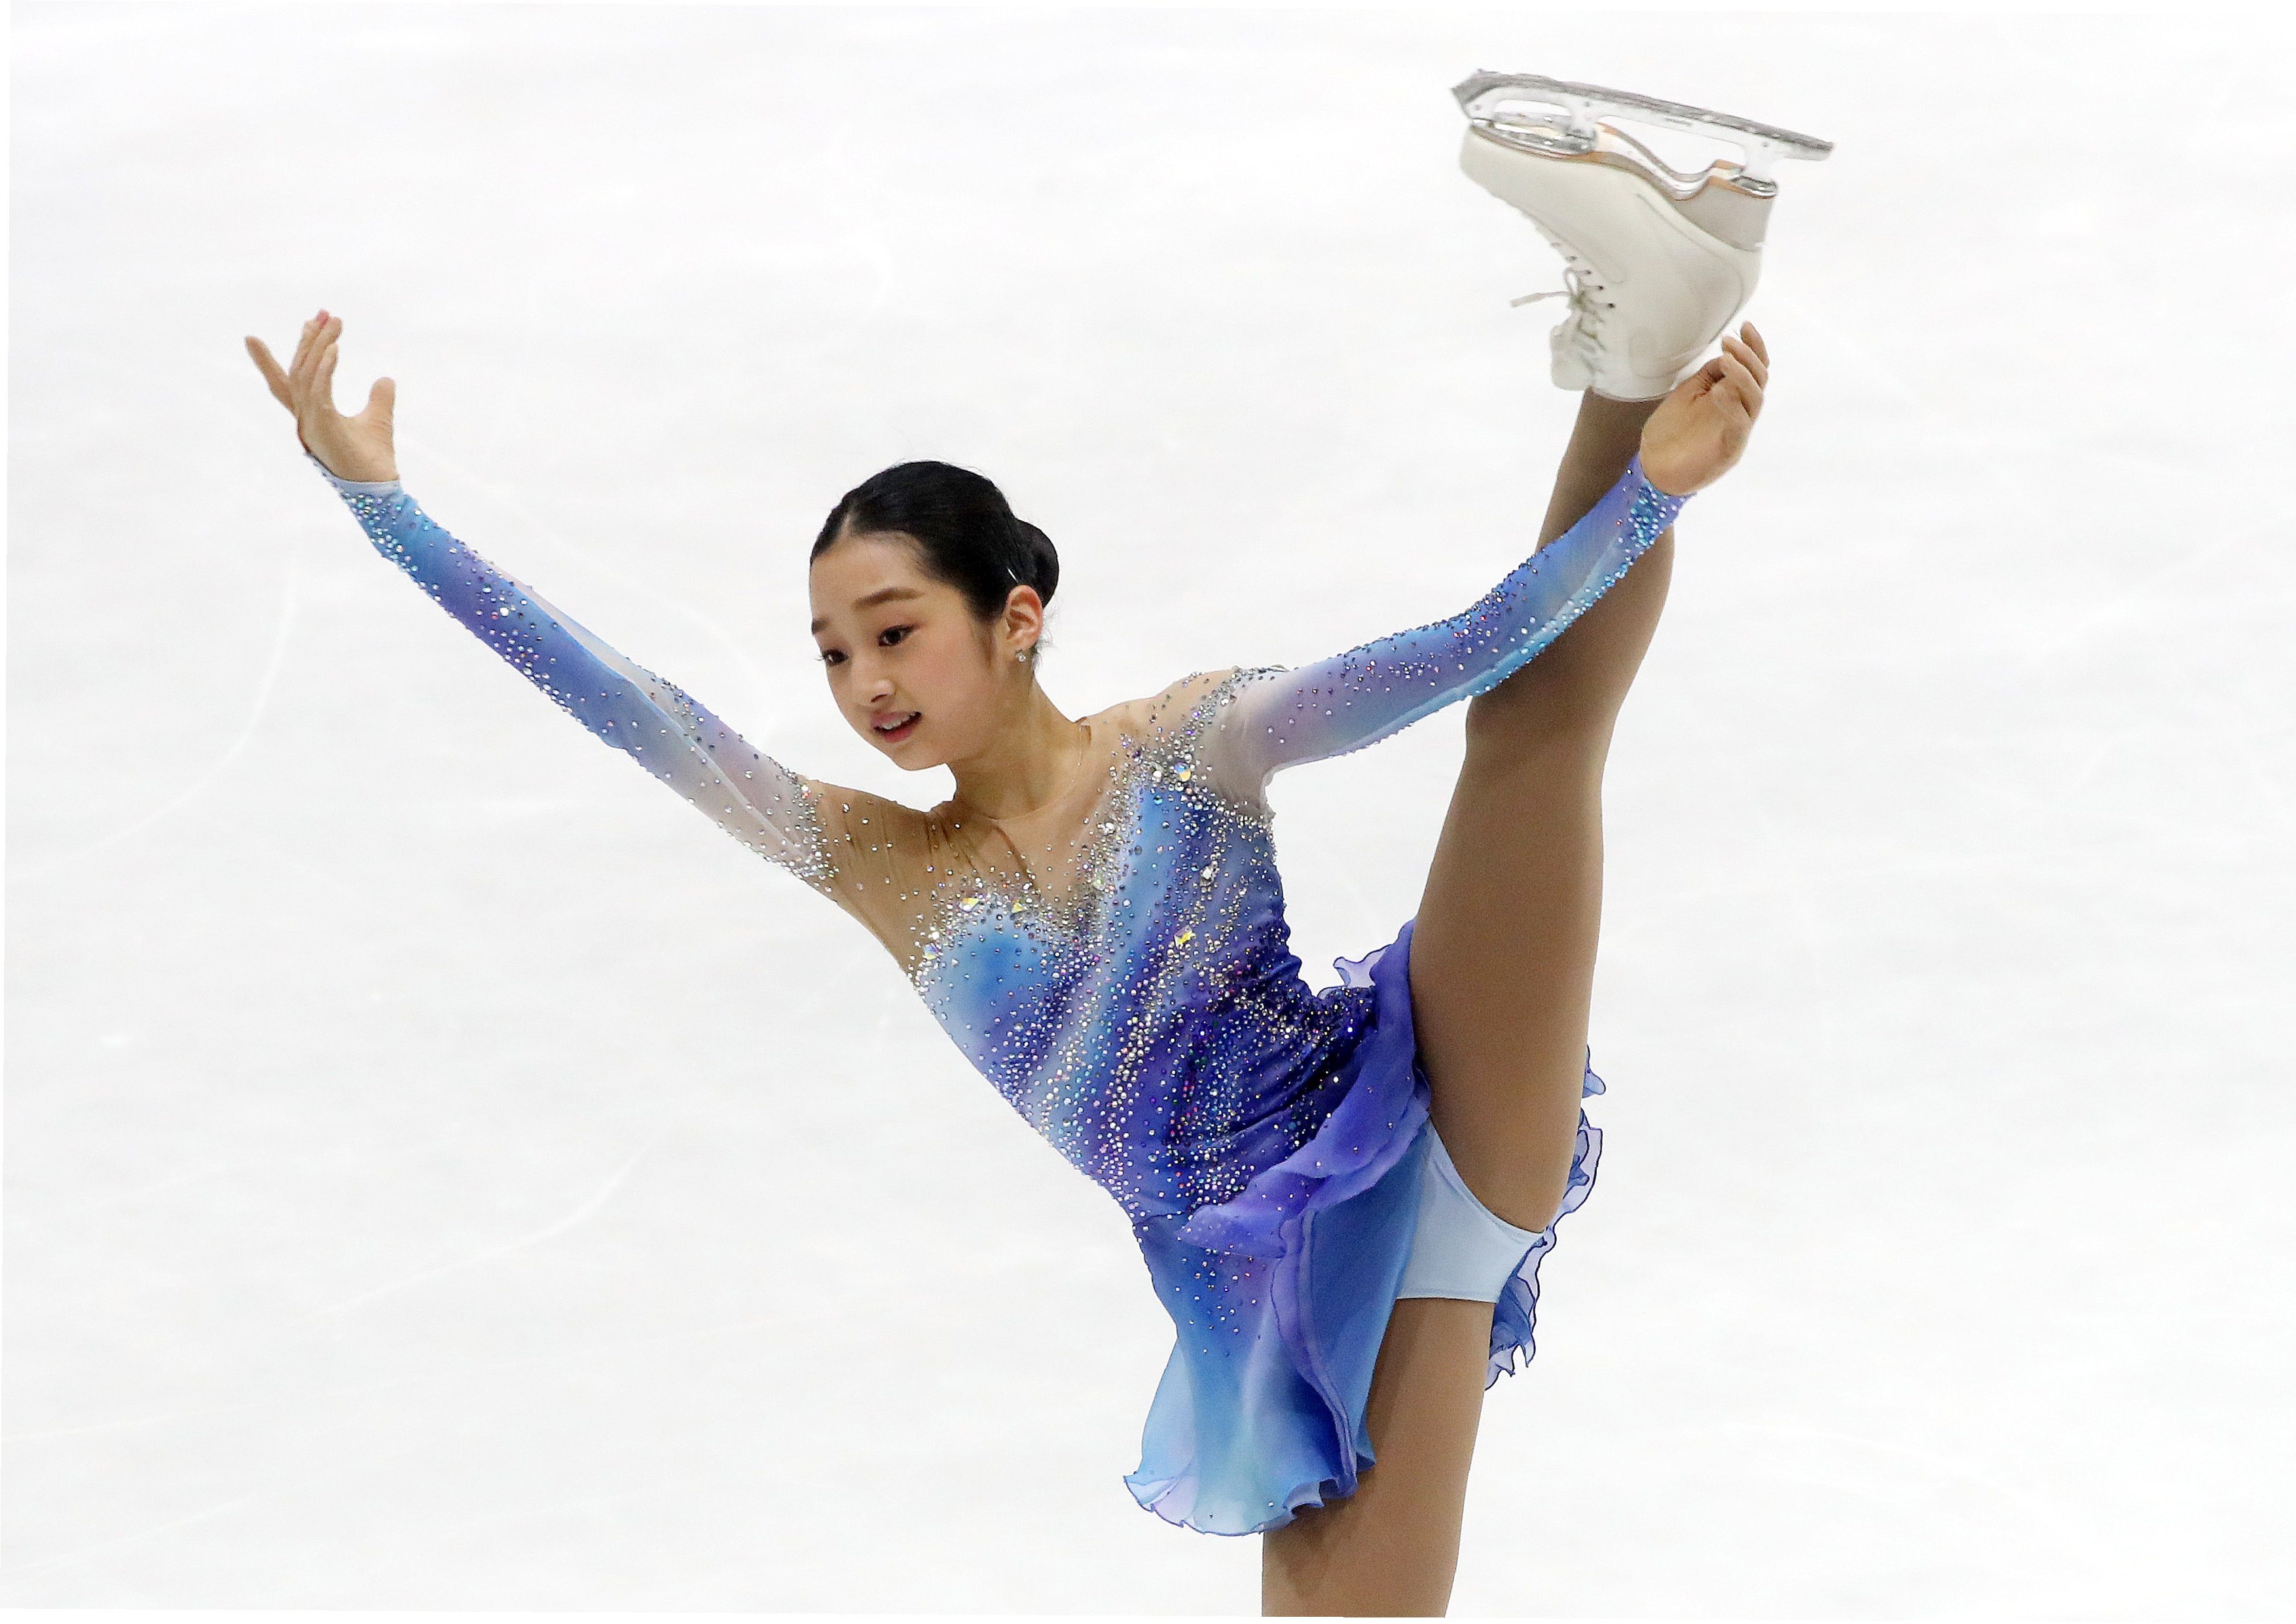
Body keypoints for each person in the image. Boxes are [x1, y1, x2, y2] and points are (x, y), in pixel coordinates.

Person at [246, 72, 1816, 1617]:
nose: (865, 683)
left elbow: (1467, 649)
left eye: (895, 630)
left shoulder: (1191, 744)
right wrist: (391, 515)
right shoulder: (881, 865)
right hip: (1283, 1311)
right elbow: (633, 708)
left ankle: (1647, 337)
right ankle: (1653, 325)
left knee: (1529, 728)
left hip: (1433, 1115)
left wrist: (1651, 500)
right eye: (833, 653)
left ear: (1013, 616)